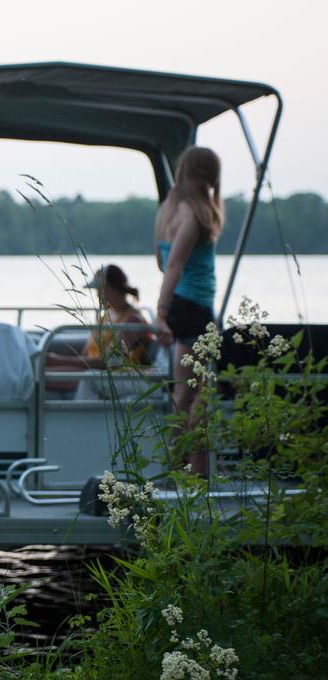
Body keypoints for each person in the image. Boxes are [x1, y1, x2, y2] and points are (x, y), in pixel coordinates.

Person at [151, 146, 224, 476]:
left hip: (186, 305)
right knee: (191, 393)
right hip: (192, 306)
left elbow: (160, 259)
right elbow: (174, 265)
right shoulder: (195, 214)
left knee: (188, 391)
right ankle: (182, 464)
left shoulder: (169, 208)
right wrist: (161, 313)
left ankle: (184, 462)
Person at [45, 264, 151, 391]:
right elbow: (86, 356)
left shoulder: (133, 321)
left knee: (44, 376)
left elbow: (108, 363)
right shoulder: (104, 317)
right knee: (39, 373)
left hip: (113, 378)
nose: (97, 295)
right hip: (94, 372)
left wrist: (58, 361)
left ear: (114, 289)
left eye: (100, 289)